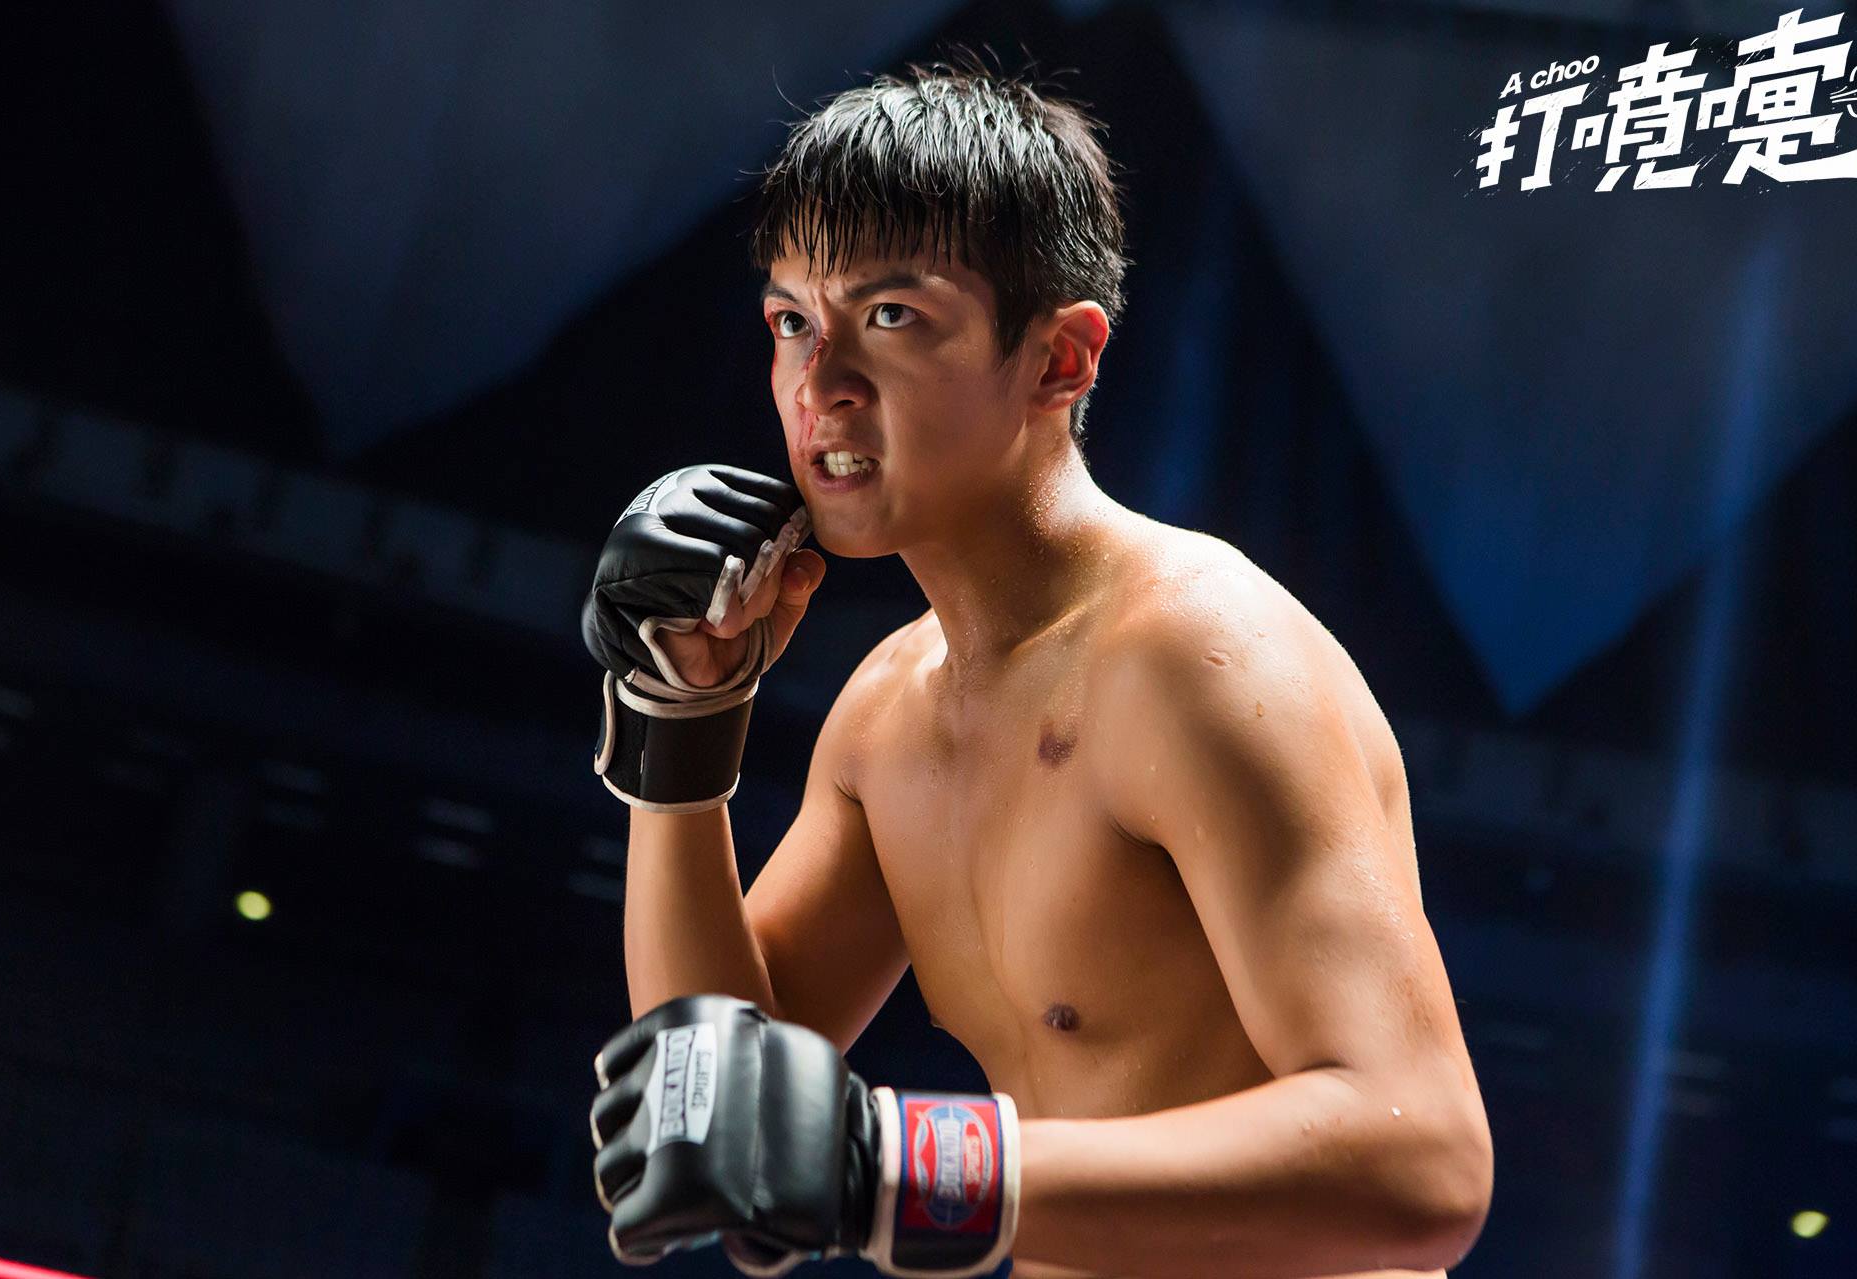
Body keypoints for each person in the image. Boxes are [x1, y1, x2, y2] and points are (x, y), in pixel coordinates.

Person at [580, 54, 1492, 1279]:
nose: (819, 385)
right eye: (793, 320)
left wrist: (893, 1166)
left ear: (1059, 360)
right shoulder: (889, 719)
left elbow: (1424, 1159)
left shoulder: (1196, 655)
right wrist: (681, 718)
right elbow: (715, 1102)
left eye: (891, 316)